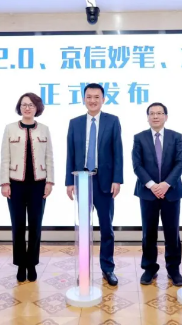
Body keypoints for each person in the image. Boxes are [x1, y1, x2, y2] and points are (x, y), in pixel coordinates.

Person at [65, 83, 123, 286]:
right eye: (89, 97)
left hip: (104, 181)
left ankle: (108, 268)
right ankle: (84, 269)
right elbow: (70, 153)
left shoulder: (112, 121)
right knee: (83, 229)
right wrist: (69, 181)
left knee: (106, 228)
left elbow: (118, 152)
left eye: (96, 97)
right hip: (82, 180)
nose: (92, 100)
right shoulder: (75, 123)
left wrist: (117, 179)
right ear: (84, 99)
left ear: (103, 99)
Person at [0, 92, 54, 282]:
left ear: (37, 108)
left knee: (35, 225)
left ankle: (32, 264)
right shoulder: (10, 128)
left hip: (38, 184)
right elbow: (4, 157)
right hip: (15, 184)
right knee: (18, 225)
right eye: (24, 104)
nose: (27, 108)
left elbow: (49, 157)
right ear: (19, 107)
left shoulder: (44, 129)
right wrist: (4, 182)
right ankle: (20, 265)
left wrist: (50, 182)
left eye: (31, 105)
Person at [132, 102, 182, 286]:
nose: (155, 116)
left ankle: (173, 269)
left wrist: (165, 184)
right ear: (147, 117)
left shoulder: (176, 137)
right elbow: (137, 165)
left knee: (172, 233)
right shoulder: (139, 138)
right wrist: (153, 185)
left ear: (166, 117)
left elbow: (180, 163)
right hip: (148, 193)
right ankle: (149, 268)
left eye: (159, 113)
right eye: (152, 113)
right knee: (149, 233)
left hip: (171, 192)